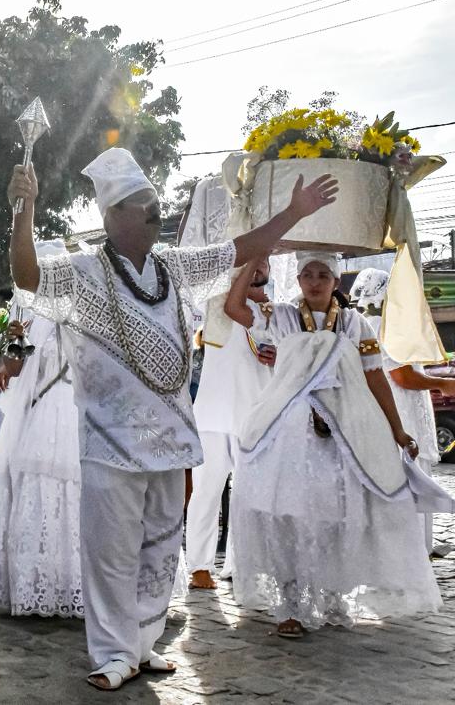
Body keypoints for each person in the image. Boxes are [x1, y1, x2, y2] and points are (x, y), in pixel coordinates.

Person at [7, 147, 339, 691]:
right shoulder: (84, 273)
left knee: (162, 546)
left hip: (171, 437)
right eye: (143, 204)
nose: (155, 210)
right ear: (112, 218)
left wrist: (295, 212)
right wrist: (25, 210)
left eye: (155, 200)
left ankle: (143, 642)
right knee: (111, 553)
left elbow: (240, 249)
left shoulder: (173, 266)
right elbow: (26, 275)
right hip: (109, 442)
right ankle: (113, 653)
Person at [225, 253, 441, 639]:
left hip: (344, 434)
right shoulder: (283, 316)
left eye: (323, 274)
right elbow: (234, 307)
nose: (314, 281)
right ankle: (289, 606)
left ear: (336, 282)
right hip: (288, 434)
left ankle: (331, 596)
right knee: (289, 515)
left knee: (336, 517)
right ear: (299, 280)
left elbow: (375, 379)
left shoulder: (355, 324)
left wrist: (396, 429)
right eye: (307, 274)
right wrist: (253, 262)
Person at [0, 240, 83, 618]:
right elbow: (13, 373)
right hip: (43, 416)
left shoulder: (84, 314)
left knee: (78, 499)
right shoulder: (28, 320)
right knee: (40, 495)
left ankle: (77, 584)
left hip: (79, 415)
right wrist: (13, 342)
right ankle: (37, 586)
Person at [185, 259, 274, 589]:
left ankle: (242, 564)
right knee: (206, 493)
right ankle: (198, 566)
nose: (257, 267)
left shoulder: (277, 313)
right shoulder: (216, 303)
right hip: (212, 413)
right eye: (252, 260)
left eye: (263, 262)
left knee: (250, 496)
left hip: (256, 416)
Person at [353, 267, 453, 557]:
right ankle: (411, 552)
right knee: (411, 478)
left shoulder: (365, 322)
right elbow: (402, 376)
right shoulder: (385, 325)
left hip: (389, 409)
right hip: (400, 409)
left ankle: (410, 550)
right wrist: (442, 384)